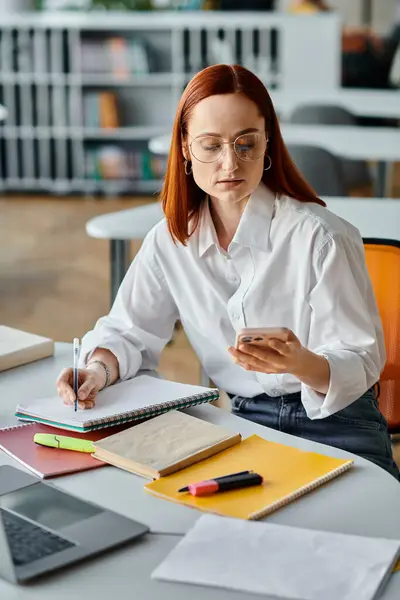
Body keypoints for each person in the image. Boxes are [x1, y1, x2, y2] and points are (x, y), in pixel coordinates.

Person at [56, 64, 399, 480]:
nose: (229, 163)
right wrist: (96, 371)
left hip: (340, 423)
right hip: (245, 419)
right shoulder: (171, 240)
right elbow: (129, 331)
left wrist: (300, 362)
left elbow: (360, 359)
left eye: (245, 144)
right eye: (211, 145)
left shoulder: (321, 237)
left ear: (267, 140)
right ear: (184, 147)